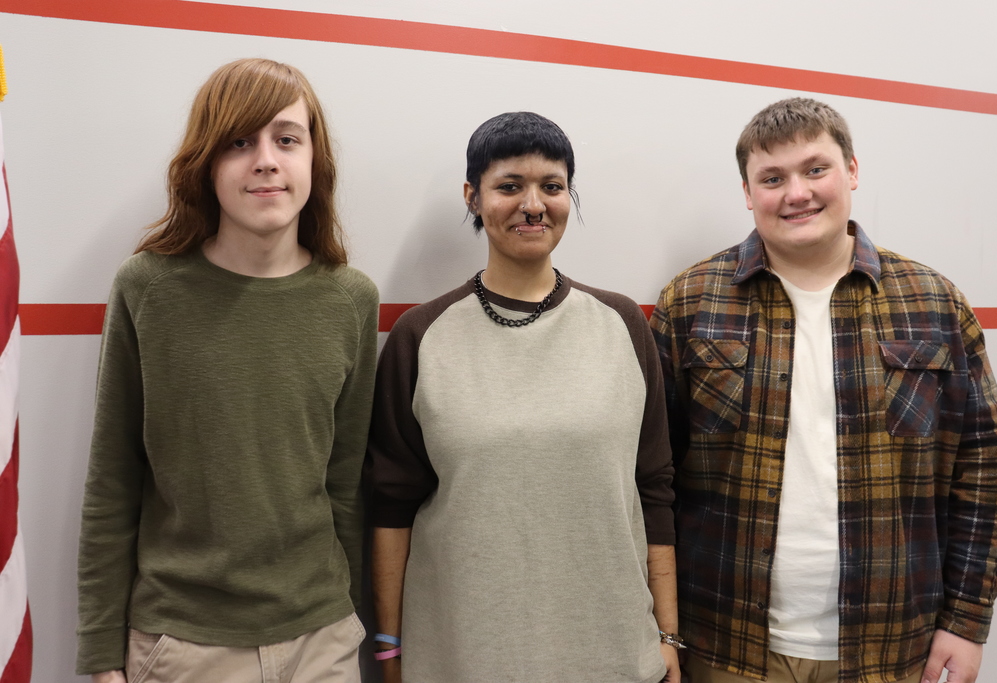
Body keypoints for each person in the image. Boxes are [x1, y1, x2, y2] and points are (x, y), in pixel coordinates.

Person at [651, 97, 997, 683]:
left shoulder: (934, 303)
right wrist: (661, 628)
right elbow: (654, 481)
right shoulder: (690, 304)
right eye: (773, 178)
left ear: (851, 171)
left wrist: (967, 620)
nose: (796, 193)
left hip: (893, 650)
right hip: (723, 647)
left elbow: (983, 472)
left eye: (815, 169)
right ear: (748, 193)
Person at [76, 58, 378, 682]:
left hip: (322, 639)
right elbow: (113, 481)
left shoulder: (351, 299)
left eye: (286, 139)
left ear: (314, 161)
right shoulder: (148, 289)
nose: (266, 160)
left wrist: (357, 628)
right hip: (183, 644)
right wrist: (101, 655)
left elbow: (345, 484)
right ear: (206, 163)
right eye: (240, 142)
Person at [366, 111, 681, 683]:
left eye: (552, 187)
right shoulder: (419, 336)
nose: (533, 204)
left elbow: (653, 489)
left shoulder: (624, 325)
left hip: (612, 656)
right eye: (510, 186)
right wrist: (389, 648)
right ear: (473, 196)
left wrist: (666, 635)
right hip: (461, 657)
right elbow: (391, 506)